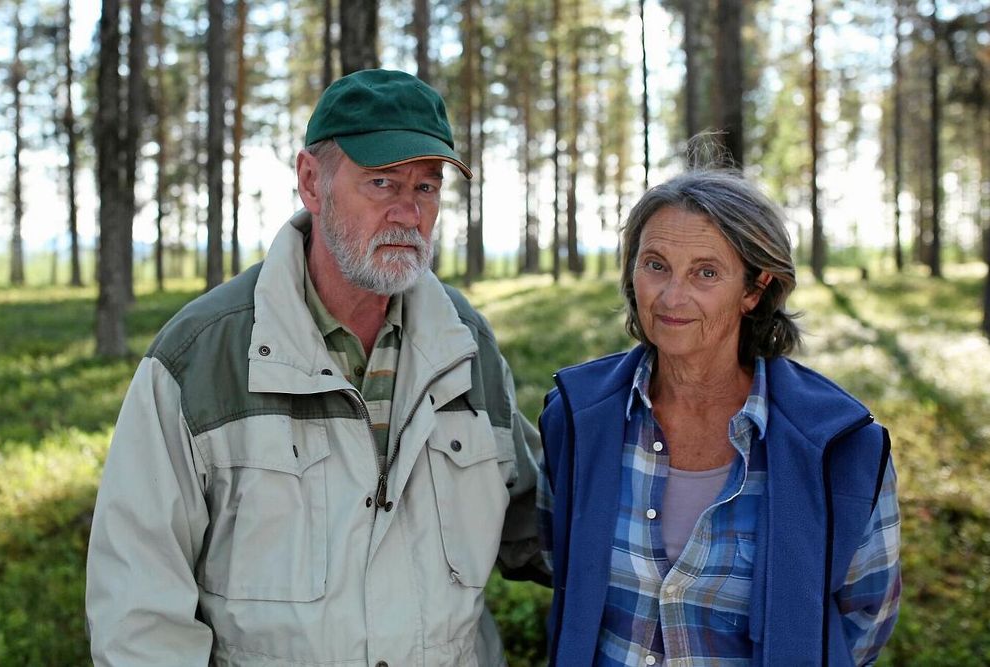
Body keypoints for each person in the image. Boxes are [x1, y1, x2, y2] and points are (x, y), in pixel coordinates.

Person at [86, 68, 543, 666]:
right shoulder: (198, 357)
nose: (409, 213)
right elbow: (139, 619)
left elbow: (539, 524)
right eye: (382, 182)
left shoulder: (463, 341)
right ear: (311, 181)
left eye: (426, 188)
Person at [537, 170, 900, 666]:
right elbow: (562, 568)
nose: (671, 297)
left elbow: (864, 622)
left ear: (754, 289)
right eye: (655, 265)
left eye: (706, 272)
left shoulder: (840, 448)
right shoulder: (577, 420)